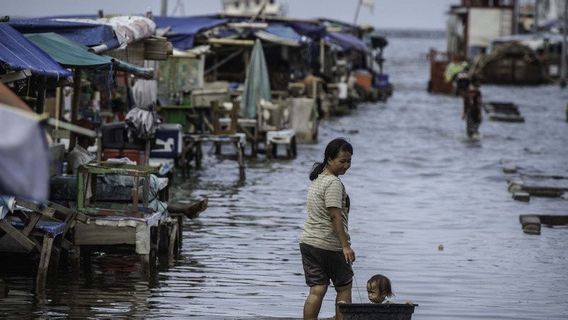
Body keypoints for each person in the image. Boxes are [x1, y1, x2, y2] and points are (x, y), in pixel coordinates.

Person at [300, 138, 355, 320]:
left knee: (317, 289)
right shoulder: (333, 183)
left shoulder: (318, 179)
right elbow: (334, 216)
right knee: (344, 286)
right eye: (342, 161)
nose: (346, 165)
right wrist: (345, 246)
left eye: (349, 161)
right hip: (329, 244)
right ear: (330, 159)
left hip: (309, 243)